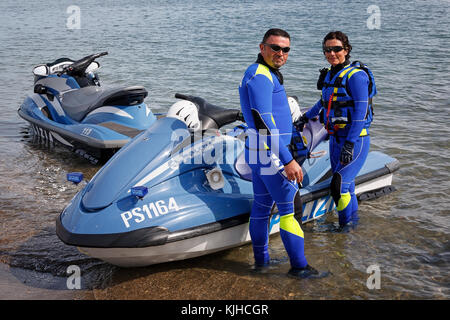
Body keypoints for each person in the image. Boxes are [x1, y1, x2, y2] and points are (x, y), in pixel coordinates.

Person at [239, 28, 325, 279]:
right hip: (270, 154)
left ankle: (261, 263)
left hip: (257, 151)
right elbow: (264, 121)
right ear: (262, 47)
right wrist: (288, 160)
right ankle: (300, 268)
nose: (281, 53)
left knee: (262, 208)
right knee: (288, 210)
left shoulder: (259, 73)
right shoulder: (261, 77)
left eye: (285, 49)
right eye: (275, 47)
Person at [295, 31, 377, 229]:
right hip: (334, 139)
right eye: (327, 50)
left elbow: (360, 111)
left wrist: (350, 143)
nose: (332, 53)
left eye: (337, 49)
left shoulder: (356, 76)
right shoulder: (331, 75)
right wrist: (304, 117)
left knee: (338, 186)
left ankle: (344, 228)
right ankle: (352, 225)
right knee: (346, 186)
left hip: (355, 140)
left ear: (346, 50)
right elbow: (324, 102)